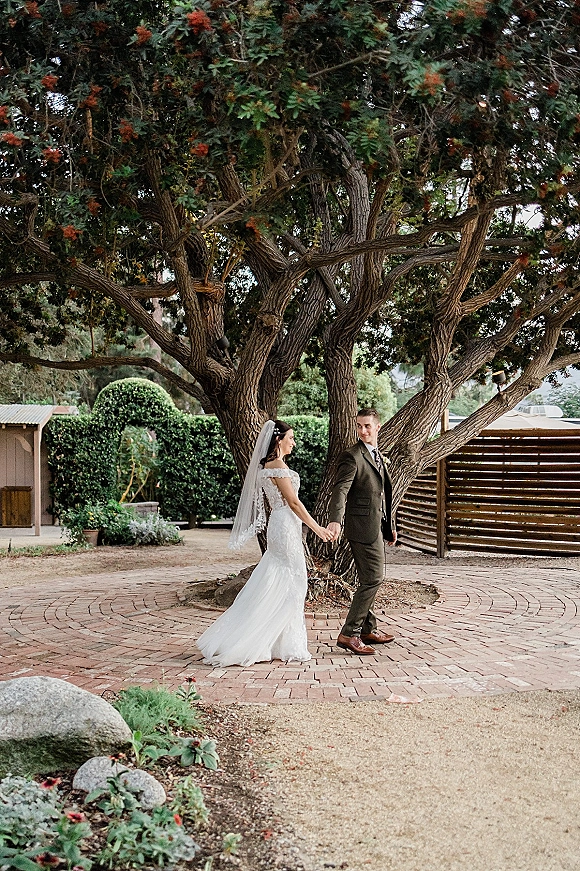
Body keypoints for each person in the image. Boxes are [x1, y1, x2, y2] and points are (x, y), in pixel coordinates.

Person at [197, 419, 332, 667]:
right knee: (295, 581)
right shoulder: (278, 466)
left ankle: (275, 641)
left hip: (282, 524)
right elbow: (293, 503)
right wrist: (317, 529)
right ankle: (273, 642)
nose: (294, 442)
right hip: (285, 525)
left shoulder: (269, 466)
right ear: (278, 440)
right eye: (290, 438)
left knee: (279, 579)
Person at [326, 408, 397, 655]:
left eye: (367, 426)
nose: (363, 431)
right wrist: (336, 520)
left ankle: (368, 628)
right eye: (359, 426)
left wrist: (389, 526)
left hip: (375, 526)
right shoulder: (352, 456)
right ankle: (350, 633)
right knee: (373, 579)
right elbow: (340, 490)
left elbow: (382, 495)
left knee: (370, 578)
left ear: (378, 427)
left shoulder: (377, 454)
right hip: (360, 528)